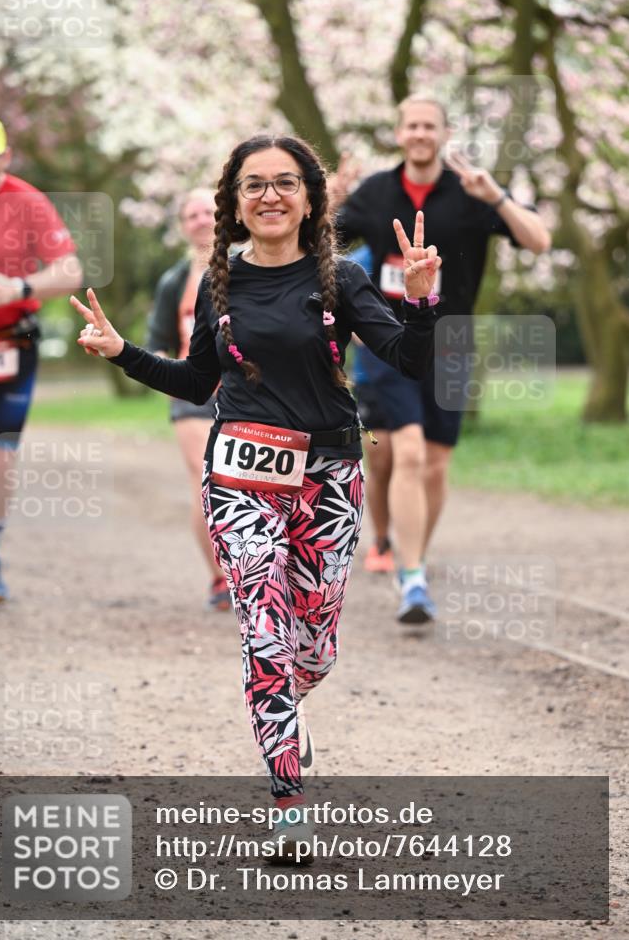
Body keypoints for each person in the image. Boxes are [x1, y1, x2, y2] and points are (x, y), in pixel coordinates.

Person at [70, 133, 439, 861]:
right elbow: (195, 381)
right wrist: (123, 354)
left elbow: (409, 361)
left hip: (330, 478)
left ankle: (285, 712)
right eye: (253, 185)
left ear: (309, 198)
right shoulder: (220, 285)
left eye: (285, 182)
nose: (269, 195)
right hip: (240, 479)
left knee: (313, 650)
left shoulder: (342, 280)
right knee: (263, 635)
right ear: (234, 204)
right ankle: (289, 802)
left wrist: (422, 304)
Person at [334, 95, 551, 624]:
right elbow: (318, 247)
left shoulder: (470, 191)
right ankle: (412, 579)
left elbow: (540, 242)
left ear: (444, 132)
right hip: (391, 340)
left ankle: (415, 559)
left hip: (453, 343)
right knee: (405, 453)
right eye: (411, 125)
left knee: (434, 464)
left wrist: (496, 197)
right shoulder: (377, 191)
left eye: (430, 126)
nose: (420, 134)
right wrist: (330, 200)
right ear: (399, 131)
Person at [0, 115, 82, 602]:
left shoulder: (27, 202)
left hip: (15, 344)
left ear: (5, 158)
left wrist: (21, 286)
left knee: (0, 455)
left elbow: (70, 272)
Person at [147, 188, 231, 611]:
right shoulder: (173, 282)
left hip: (244, 393)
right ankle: (220, 576)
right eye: (191, 214)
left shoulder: (249, 268)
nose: (200, 219)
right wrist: (169, 374)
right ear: (182, 226)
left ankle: (256, 569)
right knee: (209, 480)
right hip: (192, 394)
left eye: (207, 211)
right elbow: (157, 344)